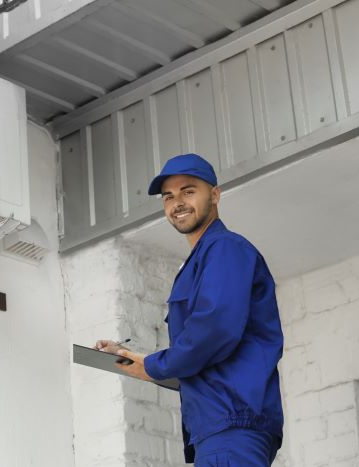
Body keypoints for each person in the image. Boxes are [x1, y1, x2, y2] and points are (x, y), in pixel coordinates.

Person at [95, 153, 284, 466]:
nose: (176, 202)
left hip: (232, 426)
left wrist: (155, 365)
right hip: (215, 428)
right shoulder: (202, 261)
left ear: (215, 194)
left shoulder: (225, 248)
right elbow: (201, 357)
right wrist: (142, 362)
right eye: (168, 196)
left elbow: (214, 330)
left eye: (188, 191)